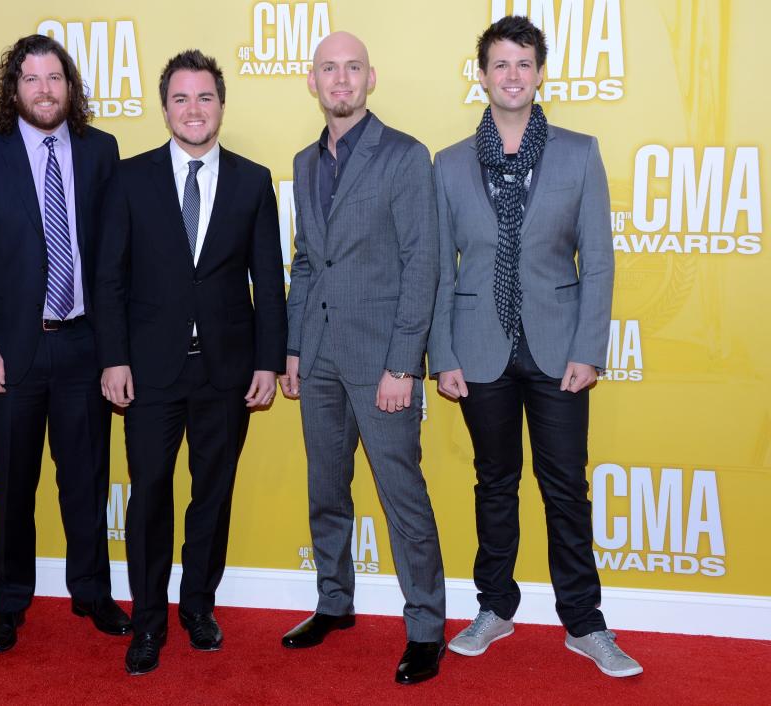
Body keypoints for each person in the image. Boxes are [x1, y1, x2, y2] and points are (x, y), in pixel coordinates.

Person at [427, 16, 642, 678]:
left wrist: (590, 349)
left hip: (558, 349)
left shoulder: (579, 152)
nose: (512, 75)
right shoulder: (450, 163)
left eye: (524, 63)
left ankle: (584, 622)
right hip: (478, 346)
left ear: (540, 73)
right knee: (494, 483)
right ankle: (495, 608)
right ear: (483, 75)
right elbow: (438, 266)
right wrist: (443, 354)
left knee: (564, 489)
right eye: (500, 64)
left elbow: (599, 263)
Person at [95, 49, 287, 676]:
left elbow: (269, 279)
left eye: (205, 97)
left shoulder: (253, 181)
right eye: (181, 98)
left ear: (222, 106)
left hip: (225, 372)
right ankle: (148, 620)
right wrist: (114, 358)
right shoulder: (129, 178)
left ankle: (197, 606)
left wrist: (267, 362)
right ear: (165, 107)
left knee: (213, 494)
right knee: (149, 496)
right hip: (148, 371)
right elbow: (109, 280)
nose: (194, 109)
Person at [0, 34, 130, 653]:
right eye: (32, 79)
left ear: (69, 87)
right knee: (14, 485)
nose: (45, 90)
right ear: (13, 88)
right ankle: (8, 604)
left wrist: (115, 350)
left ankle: (93, 593)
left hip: (84, 345)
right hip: (11, 350)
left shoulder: (101, 151)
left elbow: (115, 259)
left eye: (55, 78)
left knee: (87, 480)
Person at [278, 31, 446, 685]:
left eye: (352, 69)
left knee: (403, 497)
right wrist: (293, 347)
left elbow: (422, 264)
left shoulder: (405, 156)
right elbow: (304, 263)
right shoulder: (301, 162)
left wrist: (403, 365)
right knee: (326, 491)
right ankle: (333, 603)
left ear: (371, 79)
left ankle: (426, 627)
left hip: (383, 364)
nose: (340, 80)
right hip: (317, 359)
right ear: (312, 82)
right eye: (329, 69)